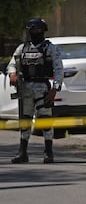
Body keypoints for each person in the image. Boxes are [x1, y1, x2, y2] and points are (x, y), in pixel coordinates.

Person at [7, 18, 63, 164]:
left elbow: (59, 69)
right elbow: (12, 64)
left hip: (43, 88)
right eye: (33, 30)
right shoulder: (22, 48)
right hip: (25, 89)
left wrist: (55, 89)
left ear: (43, 30)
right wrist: (12, 73)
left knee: (45, 121)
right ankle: (22, 152)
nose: (35, 32)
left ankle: (48, 152)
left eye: (38, 29)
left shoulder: (50, 48)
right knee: (25, 121)